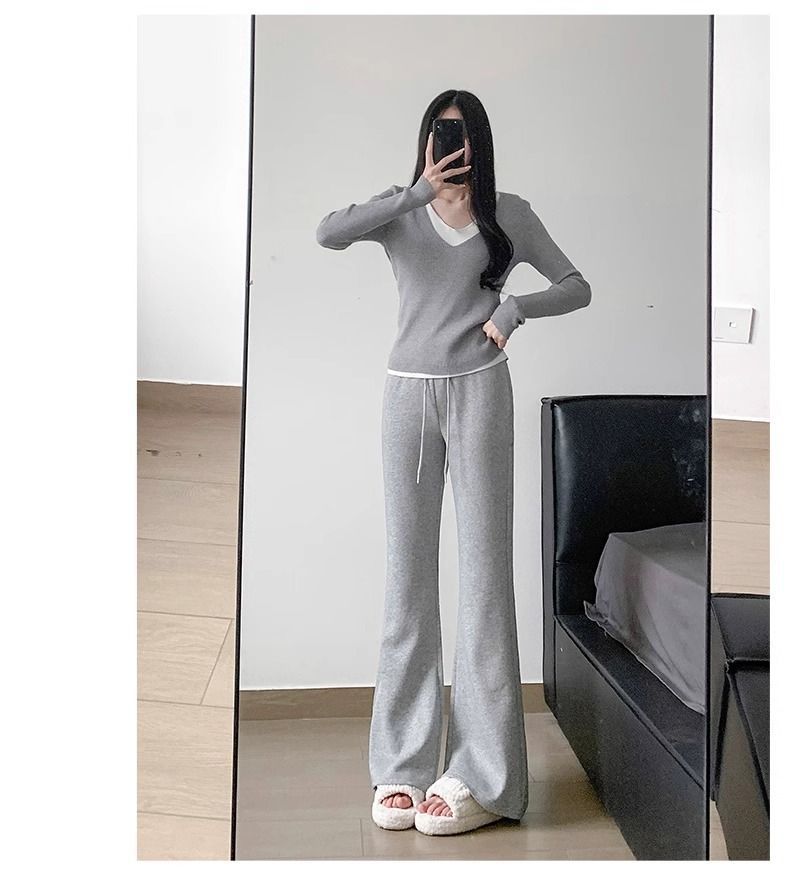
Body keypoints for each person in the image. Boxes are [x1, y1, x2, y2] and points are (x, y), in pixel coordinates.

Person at [315, 90, 592, 836]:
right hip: (407, 398)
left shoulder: (511, 214)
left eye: (464, 135)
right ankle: (401, 765)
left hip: (481, 394)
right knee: (408, 578)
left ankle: (484, 775)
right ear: (427, 140)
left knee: (484, 579)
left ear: (483, 142)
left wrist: (516, 308)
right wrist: (415, 191)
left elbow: (577, 286)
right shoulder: (400, 211)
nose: (453, 147)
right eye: (442, 134)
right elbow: (327, 234)